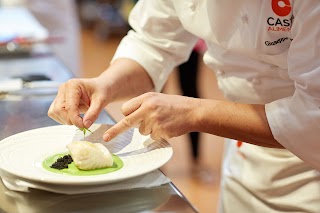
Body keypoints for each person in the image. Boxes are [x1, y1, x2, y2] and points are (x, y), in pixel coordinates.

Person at [48, 1, 320, 212]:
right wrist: (104, 84)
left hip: (310, 173)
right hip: (243, 154)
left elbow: (312, 118)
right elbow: (153, 44)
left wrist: (195, 113)